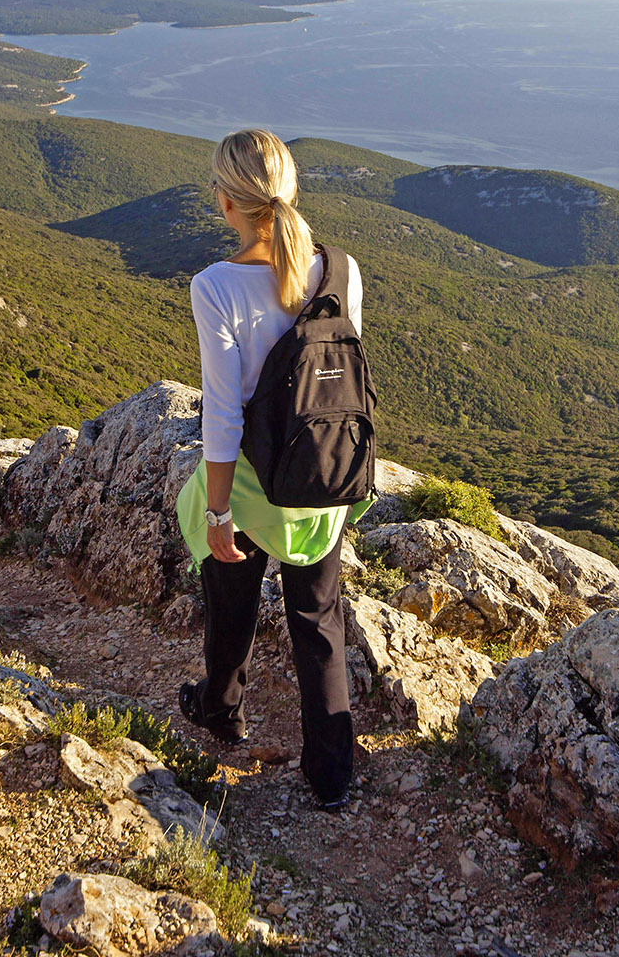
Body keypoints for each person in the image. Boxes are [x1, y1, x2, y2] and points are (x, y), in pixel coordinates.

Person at [174, 128, 369, 813]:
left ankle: (221, 709)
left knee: (230, 596)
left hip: (254, 486)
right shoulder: (341, 270)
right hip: (323, 479)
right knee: (319, 618)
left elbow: (224, 416)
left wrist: (220, 511)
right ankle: (332, 774)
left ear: (226, 201)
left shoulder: (216, 286)